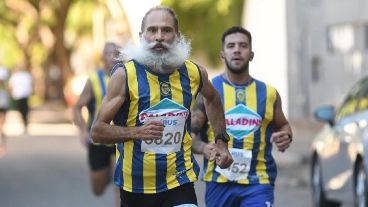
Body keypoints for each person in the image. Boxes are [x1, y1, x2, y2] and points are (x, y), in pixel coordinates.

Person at [91, 6, 233, 207]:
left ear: (177, 36)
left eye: (166, 30)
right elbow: (97, 131)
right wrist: (137, 132)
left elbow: (213, 99)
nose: (159, 36)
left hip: (179, 182)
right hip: (136, 187)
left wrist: (221, 141)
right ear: (142, 36)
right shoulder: (125, 75)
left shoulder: (194, 73)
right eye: (152, 30)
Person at [191, 26, 293, 207]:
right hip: (218, 182)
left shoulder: (269, 93)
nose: (237, 49)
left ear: (251, 54)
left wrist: (286, 136)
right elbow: (189, 136)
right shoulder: (209, 92)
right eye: (231, 46)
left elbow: (283, 125)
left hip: (258, 182)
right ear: (222, 54)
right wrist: (204, 148)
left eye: (243, 45)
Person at [73, 42, 121, 206]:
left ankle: (114, 174)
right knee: (97, 189)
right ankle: (107, 172)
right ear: (102, 58)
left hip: (120, 137)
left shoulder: (127, 77)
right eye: (109, 53)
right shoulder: (93, 79)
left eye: (116, 53)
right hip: (98, 138)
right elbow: (78, 107)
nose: (113, 57)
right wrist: (82, 132)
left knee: (120, 186)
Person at [8, 65, 32, 134]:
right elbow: (11, 86)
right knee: (21, 109)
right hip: (19, 95)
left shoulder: (26, 75)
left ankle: (25, 120)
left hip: (24, 95)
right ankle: (25, 120)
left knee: (24, 109)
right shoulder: (15, 76)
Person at [0, 66, 10, 157]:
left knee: (2, 128)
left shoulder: (4, 90)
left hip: (3, 108)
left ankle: (2, 146)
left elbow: (7, 101)